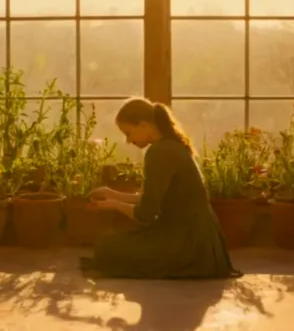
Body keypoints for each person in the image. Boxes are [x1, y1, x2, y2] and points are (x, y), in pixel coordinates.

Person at [80, 97, 243, 279]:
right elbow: (152, 198)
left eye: (128, 133)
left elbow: (145, 213)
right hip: (200, 239)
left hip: (187, 241)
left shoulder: (160, 152)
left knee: (108, 248)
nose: (128, 140)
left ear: (144, 125)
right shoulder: (170, 146)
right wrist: (111, 194)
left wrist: (113, 204)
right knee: (112, 245)